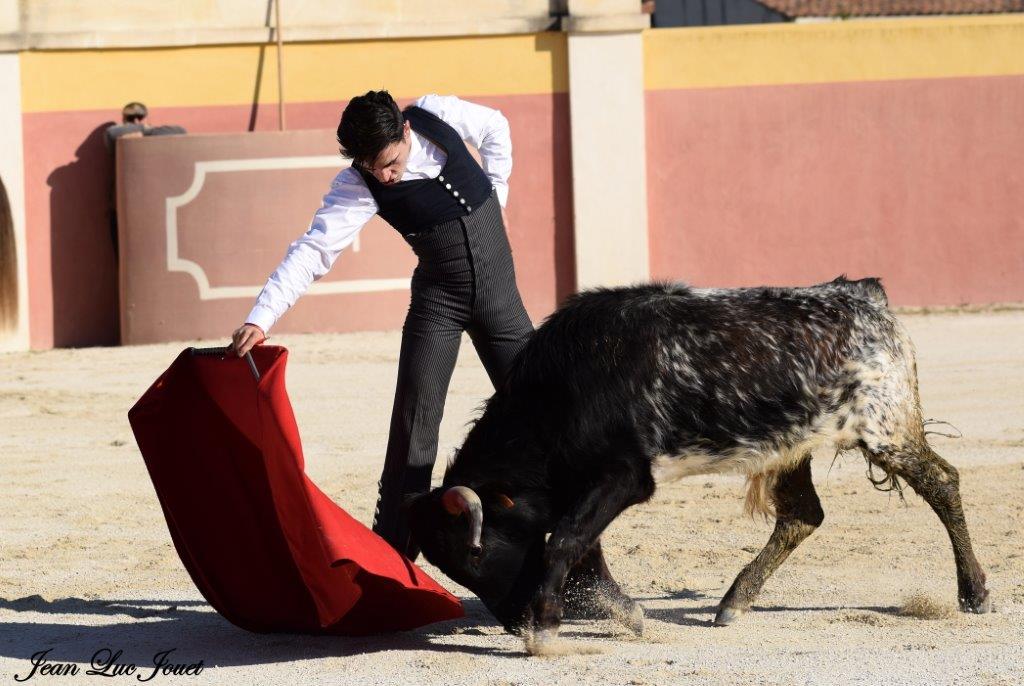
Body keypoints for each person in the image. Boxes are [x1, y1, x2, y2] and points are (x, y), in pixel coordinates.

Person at [230, 91, 534, 560]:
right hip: (439, 302)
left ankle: (573, 558)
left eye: (390, 162)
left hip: (502, 302)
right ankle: (392, 555)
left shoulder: (436, 113)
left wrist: (499, 191)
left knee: (543, 411)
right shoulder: (358, 184)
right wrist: (262, 315)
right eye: (373, 168)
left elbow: (495, 125)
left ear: (405, 131)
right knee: (414, 423)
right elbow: (314, 250)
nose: (385, 176)